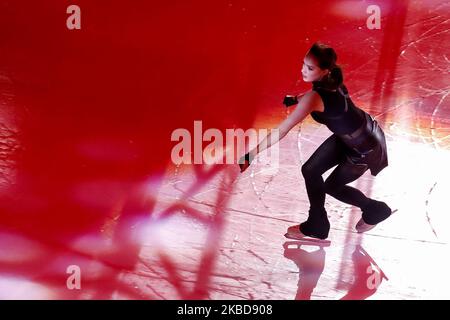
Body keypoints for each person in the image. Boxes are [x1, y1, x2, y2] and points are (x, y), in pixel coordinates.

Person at [239, 42, 392, 240]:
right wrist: (296, 98)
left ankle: (375, 210)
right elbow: (316, 94)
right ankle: (318, 223)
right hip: (357, 135)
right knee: (310, 170)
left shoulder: (315, 97)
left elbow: (283, 129)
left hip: (364, 147)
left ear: (325, 71)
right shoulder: (332, 81)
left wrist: (251, 154)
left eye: (310, 68)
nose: (303, 70)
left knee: (332, 187)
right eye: (303, 64)